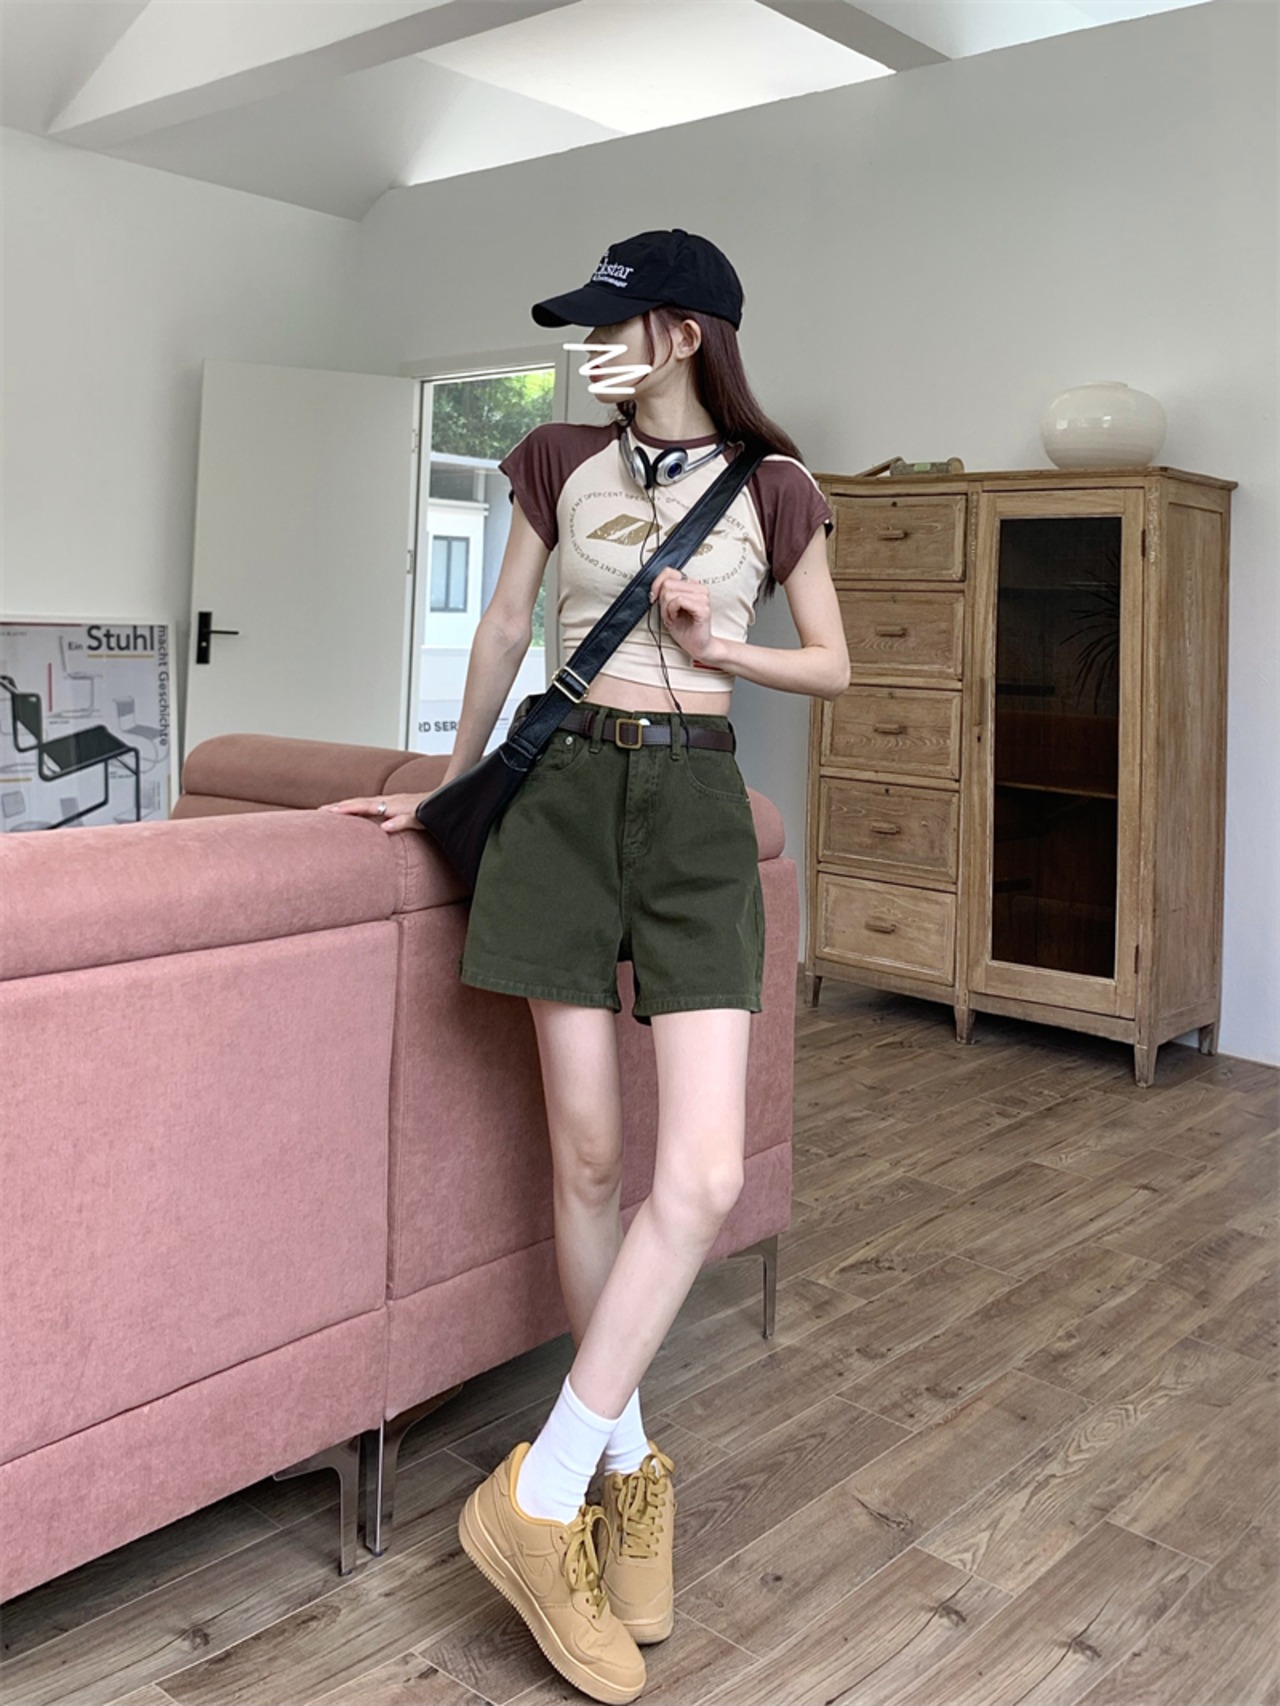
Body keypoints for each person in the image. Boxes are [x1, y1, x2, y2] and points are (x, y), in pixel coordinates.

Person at [322, 228, 849, 1703]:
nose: (589, 349)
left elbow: (834, 663)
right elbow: (506, 623)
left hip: (695, 807)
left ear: (682, 334)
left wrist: (721, 644)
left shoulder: (779, 488)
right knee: (593, 1159)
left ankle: (539, 1487)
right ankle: (621, 1466)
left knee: (705, 1174)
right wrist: (444, 784)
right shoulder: (557, 460)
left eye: (611, 326)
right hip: (559, 801)